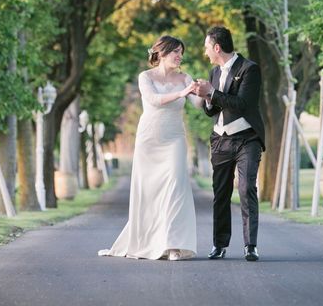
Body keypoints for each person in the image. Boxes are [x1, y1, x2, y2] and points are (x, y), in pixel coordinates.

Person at [98, 35, 202, 260]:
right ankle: (148, 241)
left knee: (175, 184)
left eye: (181, 52)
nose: (179, 56)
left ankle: (173, 245)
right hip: (149, 139)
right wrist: (182, 93)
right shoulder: (145, 77)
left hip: (174, 137)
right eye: (175, 51)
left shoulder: (185, 78)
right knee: (149, 191)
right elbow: (154, 100)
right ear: (162, 53)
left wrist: (206, 92)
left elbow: (198, 104)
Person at [193, 26, 265, 262]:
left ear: (217, 47)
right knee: (220, 193)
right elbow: (212, 110)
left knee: (246, 188)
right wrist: (205, 97)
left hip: (247, 139)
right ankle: (219, 245)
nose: (205, 53)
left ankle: (250, 245)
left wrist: (211, 93)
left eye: (207, 48)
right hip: (220, 140)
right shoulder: (214, 72)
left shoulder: (249, 69)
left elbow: (243, 104)